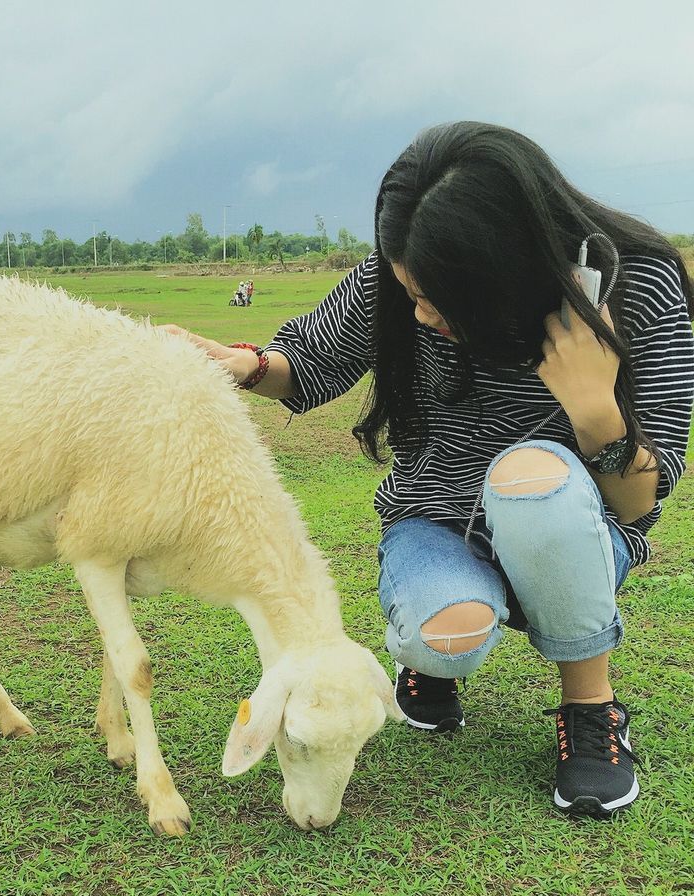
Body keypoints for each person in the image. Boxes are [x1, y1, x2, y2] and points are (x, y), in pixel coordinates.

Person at [168, 121, 694, 819]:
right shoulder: (404, 273)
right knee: (448, 634)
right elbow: (315, 362)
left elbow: (636, 505)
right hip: (438, 520)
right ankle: (427, 666)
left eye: (439, 299)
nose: (418, 312)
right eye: (409, 289)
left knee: (531, 474)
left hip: (574, 524)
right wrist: (247, 366)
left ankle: (591, 709)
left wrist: (596, 407)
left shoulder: (641, 285)